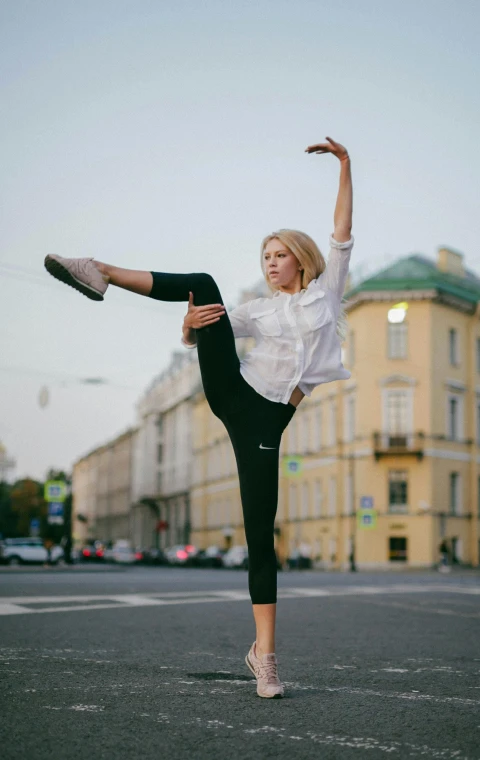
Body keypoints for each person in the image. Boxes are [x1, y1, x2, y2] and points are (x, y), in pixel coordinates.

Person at [43, 137, 353, 699]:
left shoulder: (327, 293)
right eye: (265, 257)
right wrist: (189, 332)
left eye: (279, 255)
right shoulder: (255, 311)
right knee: (204, 286)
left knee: (261, 535)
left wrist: (344, 166)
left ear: (301, 259)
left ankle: (264, 656)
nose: (271, 263)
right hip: (235, 393)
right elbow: (209, 328)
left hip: (267, 424)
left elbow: (341, 231)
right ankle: (101, 271)